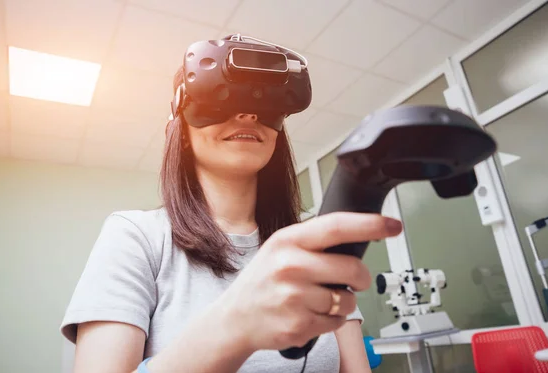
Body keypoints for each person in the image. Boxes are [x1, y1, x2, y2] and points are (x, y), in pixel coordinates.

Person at [60, 36, 403, 373]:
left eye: (264, 103)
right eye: (221, 99)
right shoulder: (136, 237)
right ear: (180, 128)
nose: (248, 114)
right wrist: (235, 328)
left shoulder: (312, 240)